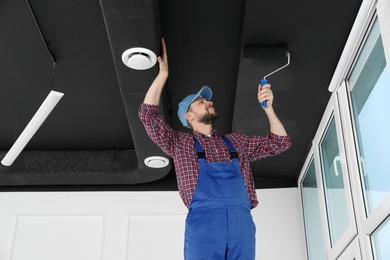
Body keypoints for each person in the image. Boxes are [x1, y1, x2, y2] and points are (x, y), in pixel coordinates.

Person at [138, 38, 291, 260]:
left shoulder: (237, 142)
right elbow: (147, 116)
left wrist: (268, 109)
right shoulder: (180, 144)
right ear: (188, 116)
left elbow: (280, 143)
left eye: (207, 101)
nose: (209, 103)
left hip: (241, 222)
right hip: (204, 223)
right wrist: (162, 76)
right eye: (201, 102)